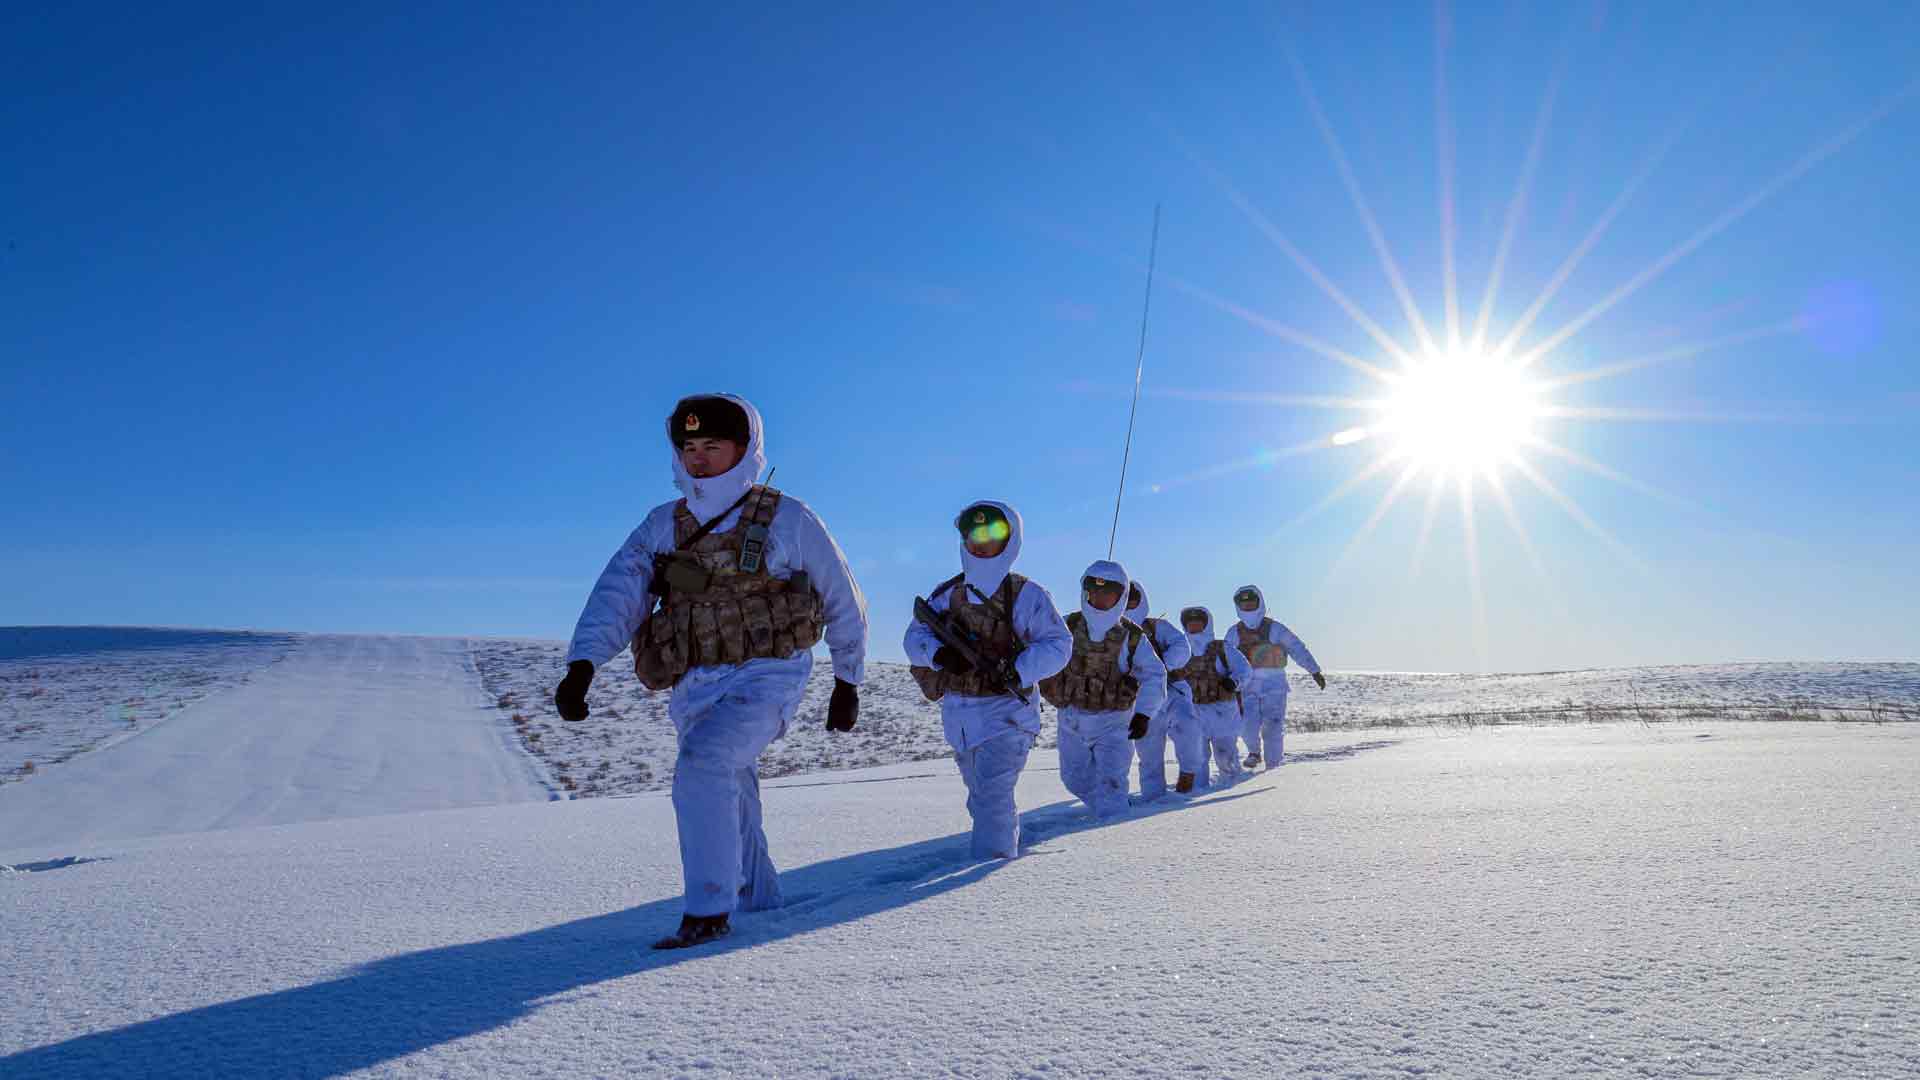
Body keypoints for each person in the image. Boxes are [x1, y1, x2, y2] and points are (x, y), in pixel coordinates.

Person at [555, 394, 867, 950]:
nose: (699, 459)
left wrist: (848, 680)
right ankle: (756, 899)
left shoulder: (788, 518)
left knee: (704, 766)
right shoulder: (662, 526)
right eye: (689, 447)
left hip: (768, 675)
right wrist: (584, 664)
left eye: (713, 447)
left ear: (744, 450)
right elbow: (618, 593)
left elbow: (842, 595)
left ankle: (707, 912)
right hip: (694, 682)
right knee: (729, 789)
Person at [905, 501, 1072, 859]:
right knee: (982, 798)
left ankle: (989, 885)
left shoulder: (1026, 594)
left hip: (1009, 713)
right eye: (973, 534)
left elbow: (1059, 645)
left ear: (1010, 539)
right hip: (960, 717)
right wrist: (937, 655)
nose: (981, 543)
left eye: (992, 533)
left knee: (993, 795)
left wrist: (1019, 668)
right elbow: (914, 638)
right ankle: (1003, 853)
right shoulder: (946, 594)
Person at [1038, 561, 1168, 819]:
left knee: (1112, 782)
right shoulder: (1066, 626)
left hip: (1114, 724)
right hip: (1071, 722)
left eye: (1107, 593)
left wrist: (1144, 713)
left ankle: (1113, 833)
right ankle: (1110, 811)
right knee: (1073, 779)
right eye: (1094, 592)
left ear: (1120, 597)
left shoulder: (1132, 637)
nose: (1099, 598)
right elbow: (1042, 658)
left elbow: (1155, 674)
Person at [1225, 584, 1326, 770]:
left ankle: (1274, 767)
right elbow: (1225, 658)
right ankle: (1254, 752)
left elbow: (1296, 647)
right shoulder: (1234, 633)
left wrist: (1314, 670)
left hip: (1274, 685)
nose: (1248, 607)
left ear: (1260, 603)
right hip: (1246, 686)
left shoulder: (1275, 628)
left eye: (1252, 603)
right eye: (1244, 604)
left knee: (1273, 727)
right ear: (1238, 607)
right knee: (1247, 725)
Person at [1167, 605, 1253, 791]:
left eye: (1198, 623)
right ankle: (1198, 793)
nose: (1194, 627)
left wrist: (1234, 682)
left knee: (1225, 756)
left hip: (1222, 712)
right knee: (1196, 757)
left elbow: (1245, 669)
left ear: (1207, 625)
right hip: (1193, 711)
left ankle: (1232, 787)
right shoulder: (1180, 650)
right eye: (1190, 624)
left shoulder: (1222, 648)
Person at [1122, 581, 1191, 802]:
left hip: (1170, 691)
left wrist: (1161, 665)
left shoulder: (1158, 627)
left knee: (1187, 730)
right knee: (1148, 750)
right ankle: (1153, 799)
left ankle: (1191, 777)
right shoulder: (1111, 631)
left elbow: (1182, 646)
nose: (1130, 603)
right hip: (1137, 700)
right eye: (1125, 598)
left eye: (1134, 598)